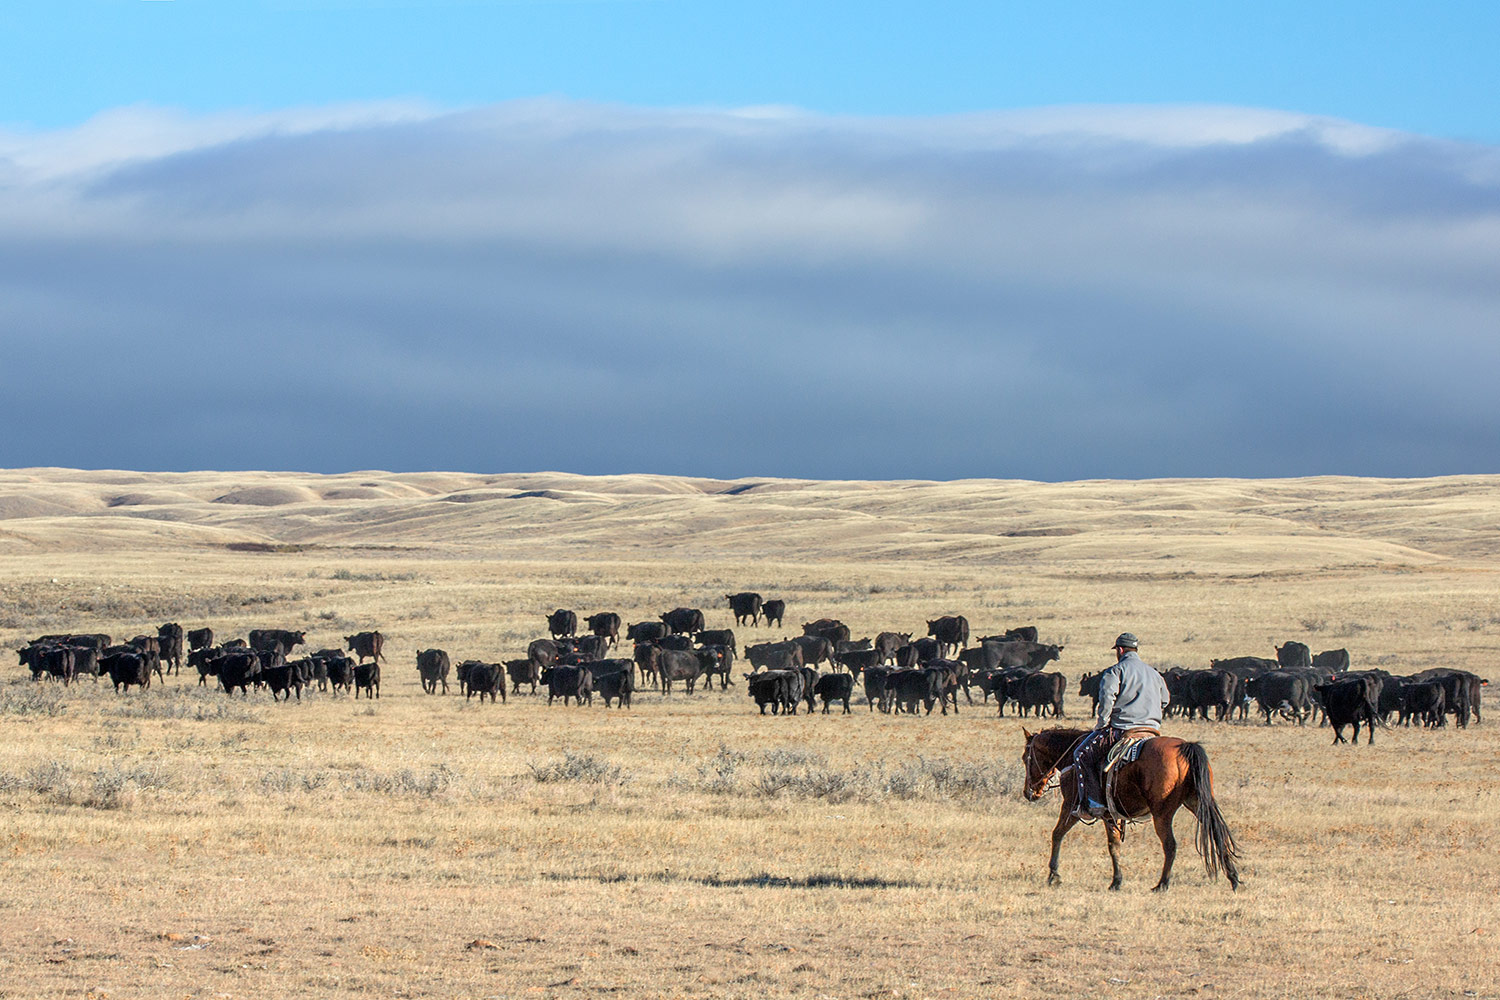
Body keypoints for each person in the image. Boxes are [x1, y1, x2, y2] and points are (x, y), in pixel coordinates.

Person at [1073, 632, 1171, 819]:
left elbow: (1106, 700)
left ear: (1119, 650)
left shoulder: (1115, 671)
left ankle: (1094, 803)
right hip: (1151, 731)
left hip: (1123, 729)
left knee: (1081, 755)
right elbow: (1165, 700)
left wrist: (1101, 725)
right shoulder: (1154, 673)